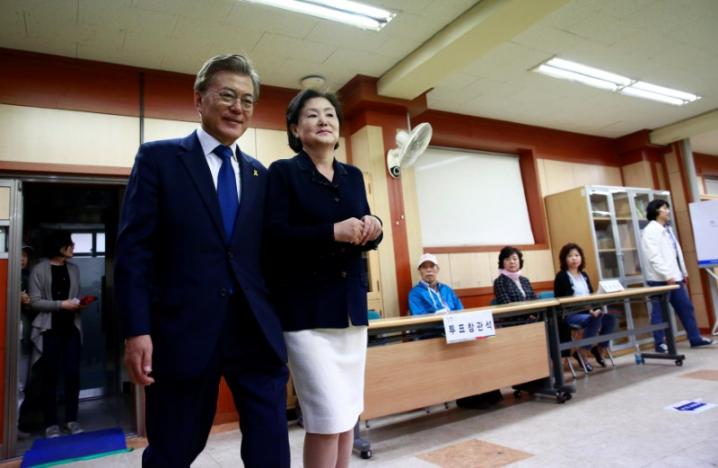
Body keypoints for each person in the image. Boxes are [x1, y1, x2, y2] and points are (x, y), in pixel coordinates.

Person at [115, 54, 289, 468]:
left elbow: (267, 254)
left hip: (254, 333)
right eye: (227, 95)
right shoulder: (159, 159)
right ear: (199, 99)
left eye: (247, 101)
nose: (238, 108)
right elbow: (134, 250)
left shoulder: (259, 175)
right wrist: (136, 330)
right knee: (175, 448)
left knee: (271, 447)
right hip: (184, 332)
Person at [265, 88, 383, 468]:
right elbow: (273, 237)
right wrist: (332, 232)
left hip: (349, 309)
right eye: (312, 115)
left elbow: (366, 227)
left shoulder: (353, 175)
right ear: (295, 129)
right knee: (325, 417)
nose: (323, 121)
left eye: (330, 114)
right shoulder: (283, 173)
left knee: (348, 413)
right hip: (305, 313)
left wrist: (375, 225)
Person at [29, 231, 84, 438]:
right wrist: (62, 305)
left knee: (72, 374)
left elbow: (74, 297)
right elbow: (34, 302)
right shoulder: (39, 270)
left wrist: (79, 304)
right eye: (69, 244)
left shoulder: (74, 269)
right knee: (49, 377)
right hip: (49, 330)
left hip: (72, 330)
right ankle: (50, 423)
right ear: (58, 246)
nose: (73, 246)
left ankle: (72, 419)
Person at [640, 199, 713, 352]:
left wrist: (683, 273)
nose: (667, 211)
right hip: (660, 280)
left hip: (675, 277)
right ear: (656, 211)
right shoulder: (650, 231)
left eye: (667, 208)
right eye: (664, 208)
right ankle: (659, 343)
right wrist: (667, 275)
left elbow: (675, 254)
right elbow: (654, 257)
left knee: (685, 308)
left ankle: (695, 338)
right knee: (659, 312)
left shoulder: (667, 229)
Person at [553, 243, 617, 370]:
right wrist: (590, 310)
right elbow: (564, 301)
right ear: (564, 259)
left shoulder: (584, 275)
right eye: (570, 256)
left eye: (577, 255)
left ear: (581, 258)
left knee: (610, 319)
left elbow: (592, 296)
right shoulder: (561, 276)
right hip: (571, 315)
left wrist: (595, 308)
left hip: (588, 313)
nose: (574, 258)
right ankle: (582, 352)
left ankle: (600, 349)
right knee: (595, 318)